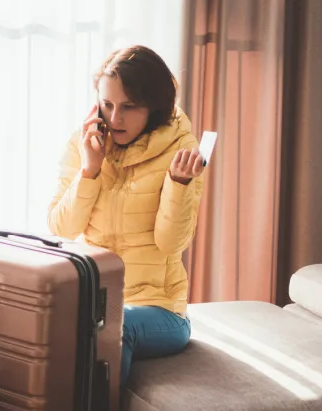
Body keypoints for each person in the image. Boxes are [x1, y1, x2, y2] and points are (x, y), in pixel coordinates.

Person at [47, 45, 205, 385]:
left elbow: (170, 242)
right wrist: (89, 170)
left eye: (129, 107)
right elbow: (61, 228)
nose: (114, 118)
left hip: (159, 310)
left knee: (115, 324)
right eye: (107, 104)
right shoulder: (86, 141)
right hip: (95, 303)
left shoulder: (181, 150)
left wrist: (178, 184)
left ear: (154, 107)